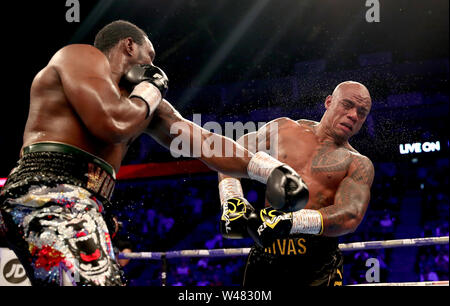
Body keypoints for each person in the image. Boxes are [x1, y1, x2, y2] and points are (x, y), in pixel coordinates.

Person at [0, 20, 306, 286]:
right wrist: (151, 88)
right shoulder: (80, 56)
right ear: (129, 46)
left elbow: (202, 140)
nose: (153, 65)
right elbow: (114, 123)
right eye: (151, 56)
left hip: (86, 204)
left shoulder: (141, 104)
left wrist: (268, 169)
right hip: (47, 191)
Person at [218, 81, 375, 286]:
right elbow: (229, 154)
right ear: (329, 102)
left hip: (316, 266)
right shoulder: (284, 129)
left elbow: (350, 215)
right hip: (266, 256)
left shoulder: (357, 163)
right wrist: (232, 199)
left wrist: (291, 221)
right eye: (347, 105)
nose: (354, 115)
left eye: (362, 112)